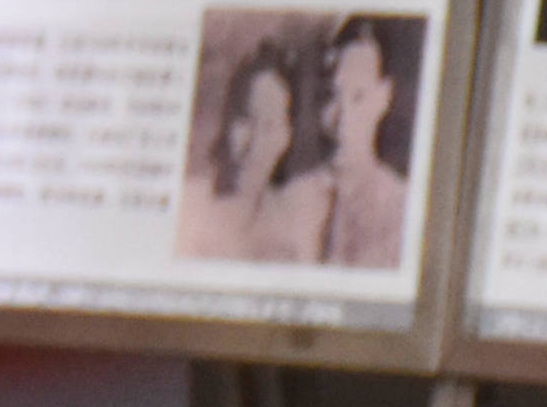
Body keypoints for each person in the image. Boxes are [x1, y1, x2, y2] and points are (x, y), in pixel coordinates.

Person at [176, 33, 322, 266]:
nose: (253, 143)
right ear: (228, 120)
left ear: (285, 138)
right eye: (245, 120)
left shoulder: (288, 229)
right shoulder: (190, 203)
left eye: (268, 126)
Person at [319, 17, 416, 274]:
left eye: (358, 97)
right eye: (332, 95)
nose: (342, 118)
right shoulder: (297, 199)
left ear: (383, 97)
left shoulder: (401, 208)